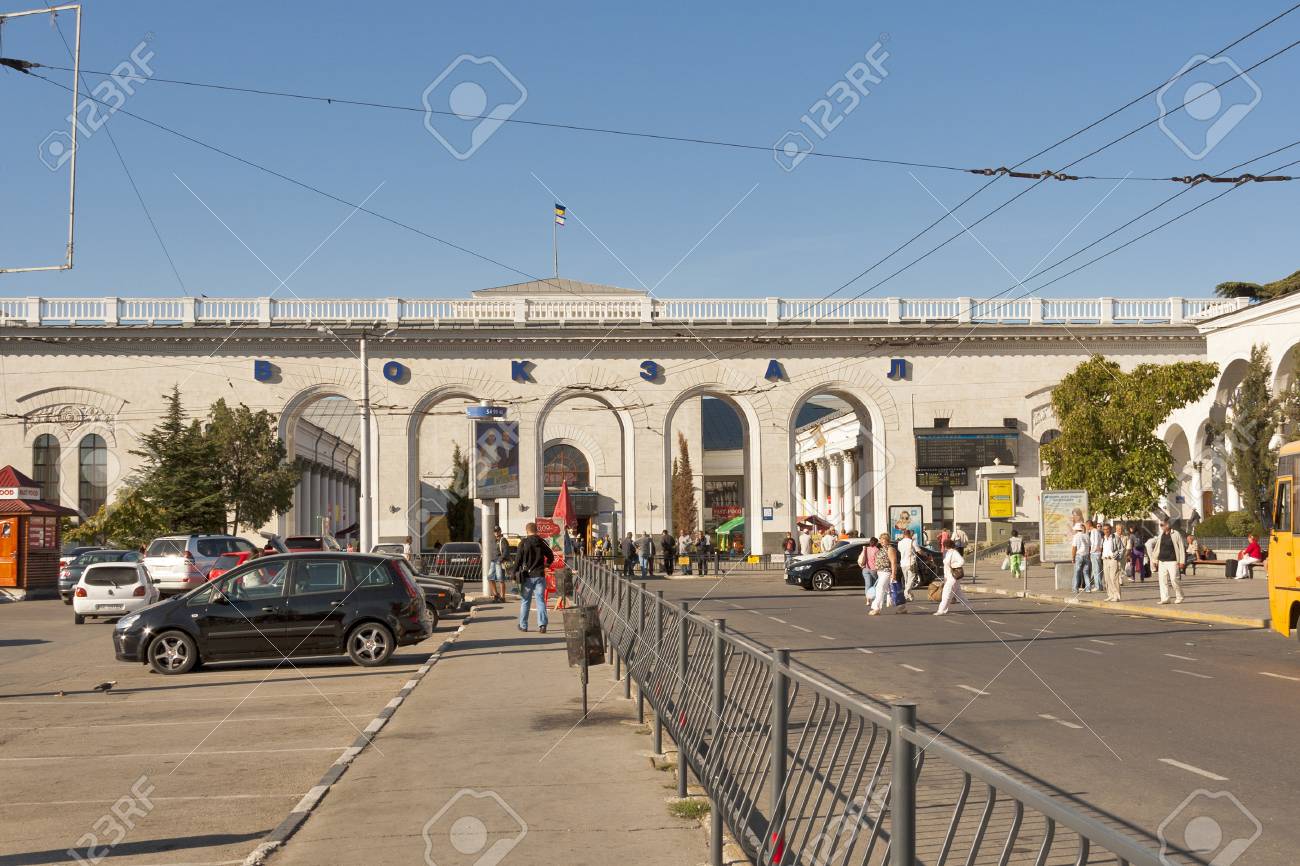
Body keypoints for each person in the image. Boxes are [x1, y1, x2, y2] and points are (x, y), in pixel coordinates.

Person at [513, 522, 554, 633]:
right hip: (540, 575)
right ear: (537, 530)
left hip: (527, 576)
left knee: (525, 601)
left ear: (527, 531)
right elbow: (551, 555)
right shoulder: (541, 542)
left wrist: (514, 573)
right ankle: (542, 625)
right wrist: (547, 565)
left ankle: (523, 625)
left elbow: (518, 560)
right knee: (540, 600)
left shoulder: (523, 543)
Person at [1146, 518, 1186, 604]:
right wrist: (1155, 560)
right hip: (1162, 561)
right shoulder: (1161, 535)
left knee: (1174, 579)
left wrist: (1182, 561)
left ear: (1168, 525)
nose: (1161, 527)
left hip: (1173, 561)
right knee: (1162, 580)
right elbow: (1157, 548)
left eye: (1162, 525)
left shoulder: (1175, 534)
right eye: (1160, 525)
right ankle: (1165, 598)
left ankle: (1180, 596)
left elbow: (1181, 548)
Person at [870, 532, 907, 615]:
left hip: (887, 572)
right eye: (880, 539)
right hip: (880, 572)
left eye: (883, 539)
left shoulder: (890, 549)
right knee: (893, 590)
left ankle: (876, 608)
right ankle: (902, 607)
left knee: (880, 588)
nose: (881, 541)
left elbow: (893, 562)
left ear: (887, 540)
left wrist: (893, 574)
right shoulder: (882, 549)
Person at [935, 537, 967, 615]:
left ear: (946, 545)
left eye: (943, 545)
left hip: (953, 576)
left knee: (946, 593)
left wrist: (953, 565)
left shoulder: (954, 552)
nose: (942, 546)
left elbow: (962, 562)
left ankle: (941, 610)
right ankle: (969, 606)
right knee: (958, 593)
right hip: (948, 577)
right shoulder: (946, 552)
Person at [1100, 523, 1123, 602]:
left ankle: (1116, 596)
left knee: (1114, 578)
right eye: (1104, 529)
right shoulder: (1103, 538)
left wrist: (1116, 555)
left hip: (1113, 559)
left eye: (1107, 529)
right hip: (1105, 559)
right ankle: (1110, 595)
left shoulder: (1115, 537)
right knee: (1107, 579)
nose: (1106, 531)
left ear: (1110, 529)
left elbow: (1121, 549)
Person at [488, 527, 509, 603]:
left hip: (499, 562)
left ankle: (502, 597)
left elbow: (506, 552)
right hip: (493, 561)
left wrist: (500, 560)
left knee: (501, 579)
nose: (496, 533)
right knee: (490, 578)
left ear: (500, 531)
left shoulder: (503, 540)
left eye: (497, 531)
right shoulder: (494, 540)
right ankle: (496, 595)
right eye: (495, 531)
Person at [897, 529, 919, 600]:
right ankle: (906, 592)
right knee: (911, 579)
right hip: (911, 563)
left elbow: (900, 550)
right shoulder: (912, 541)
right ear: (909, 534)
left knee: (907, 580)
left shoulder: (899, 543)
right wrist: (925, 555)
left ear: (904, 535)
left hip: (903, 563)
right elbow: (918, 550)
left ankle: (908, 595)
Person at [857, 537, 879, 604]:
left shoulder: (866, 548)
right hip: (873, 569)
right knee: (875, 584)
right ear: (876, 543)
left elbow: (862, 557)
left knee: (868, 585)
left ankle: (868, 600)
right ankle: (875, 598)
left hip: (865, 568)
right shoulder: (877, 550)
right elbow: (877, 561)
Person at [1071, 523, 1090, 593]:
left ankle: (1075, 589)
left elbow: (1074, 548)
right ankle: (1088, 589)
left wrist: (1073, 557)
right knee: (1086, 573)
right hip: (1087, 555)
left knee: (1076, 573)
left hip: (1079, 555)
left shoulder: (1076, 536)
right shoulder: (1086, 536)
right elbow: (1089, 546)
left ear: (1076, 529)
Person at [1087, 520, 1103, 593]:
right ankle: (1099, 585)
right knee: (1096, 570)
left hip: (1095, 553)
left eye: (1086, 525)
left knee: (1096, 570)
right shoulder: (1094, 531)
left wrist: (1092, 551)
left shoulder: (1094, 531)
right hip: (1096, 552)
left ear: (1089, 524)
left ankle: (1098, 586)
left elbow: (1095, 542)